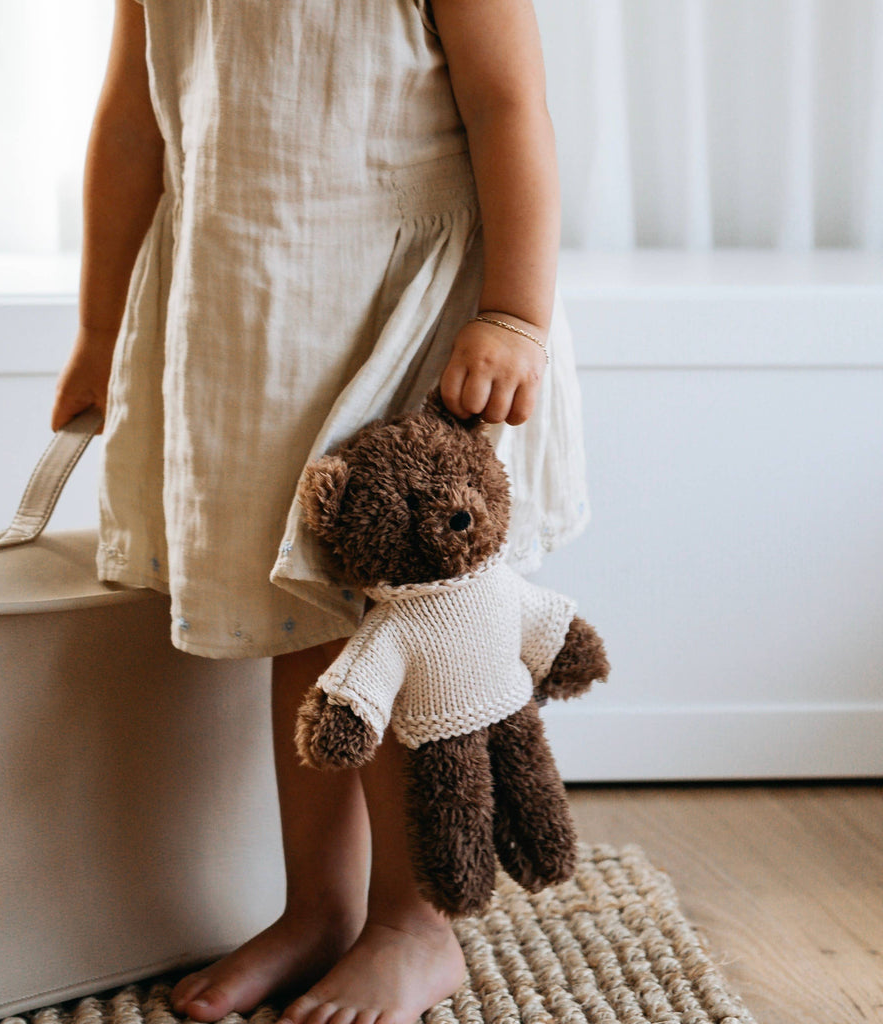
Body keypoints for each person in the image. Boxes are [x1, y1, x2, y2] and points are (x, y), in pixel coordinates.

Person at [51, 1, 588, 1022]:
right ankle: (320, 906)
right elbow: (132, 122)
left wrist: (514, 313)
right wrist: (97, 323)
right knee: (294, 614)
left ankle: (414, 920)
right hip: (255, 309)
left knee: (406, 615)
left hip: (408, 299)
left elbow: (511, 104)